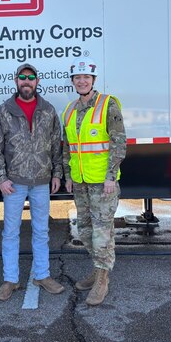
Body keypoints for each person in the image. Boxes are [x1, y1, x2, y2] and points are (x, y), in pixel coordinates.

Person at [0, 63, 65, 301]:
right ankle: (10, 280)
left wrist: (57, 174)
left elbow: (56, 145)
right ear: (16, 81)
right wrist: (1, 178)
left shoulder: (48, 110)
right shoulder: (4, 110)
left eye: (30, 77)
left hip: (42, 181)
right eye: (22, 77)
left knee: (41, 231)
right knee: (10, 233)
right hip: (14, 182)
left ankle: (42, 275)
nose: (26, 81)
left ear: (37, 81)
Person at [62, 57, 126, 306]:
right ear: (73, 82)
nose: (82, 81)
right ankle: (97, 269)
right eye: (77, 78)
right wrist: (69, 177)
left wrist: (111, 176)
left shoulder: (108, 105)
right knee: (86, 230)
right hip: (80, 182)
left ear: (93, 80)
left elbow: (119, 142)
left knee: (102, 233)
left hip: (103, 182)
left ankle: (102, 280)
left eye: (86, 77)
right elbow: (67, 147)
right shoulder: (69, 110)